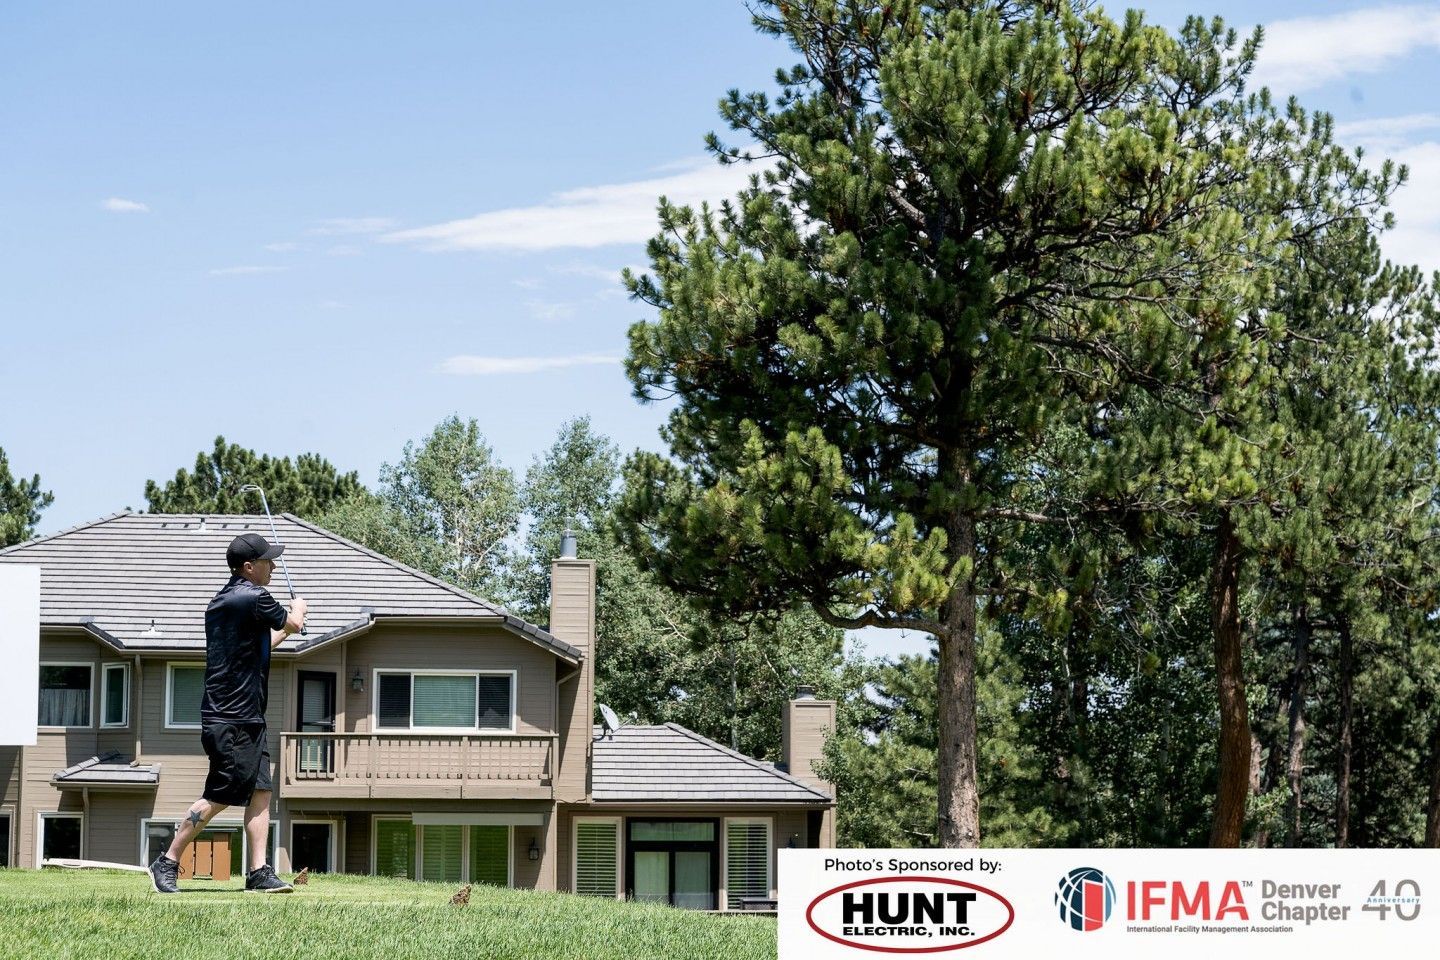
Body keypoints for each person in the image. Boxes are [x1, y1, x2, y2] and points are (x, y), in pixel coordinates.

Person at [148, 532, 307, 893]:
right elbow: (291, 624)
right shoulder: (253, 597)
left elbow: (268, 640)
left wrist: (288, 626)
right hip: (231, 718)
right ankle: (167, 861)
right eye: (267, 561)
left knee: (261, 793)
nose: (273, 565)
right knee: (222, 794)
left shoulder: (225, 601)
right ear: (249, 567)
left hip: (246, 716)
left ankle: (258, 873)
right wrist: (299, 609)